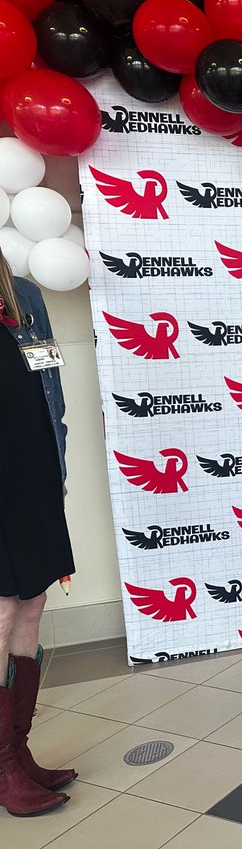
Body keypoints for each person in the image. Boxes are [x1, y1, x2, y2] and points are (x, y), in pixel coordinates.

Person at [0, 254, 76, 817]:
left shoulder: (20, 293)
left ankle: (17, 752)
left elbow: (49, 384)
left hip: (32, 474)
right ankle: (1, 769)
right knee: (1, 611)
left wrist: (58, 465)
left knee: (33, 602)